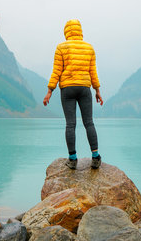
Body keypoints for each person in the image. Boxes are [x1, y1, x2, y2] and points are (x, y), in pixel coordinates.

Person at [43, 19, 103, 170]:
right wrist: (97, 90)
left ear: (66, 31)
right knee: (89, 122)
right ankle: (95, 157)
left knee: (71, 124)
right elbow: (93, 71)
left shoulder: (61, 47)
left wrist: (50, 90)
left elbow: (56, 71)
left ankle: (72, 159)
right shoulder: (89, 48)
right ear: (80, 31)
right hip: (84, 88)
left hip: (67, 89)